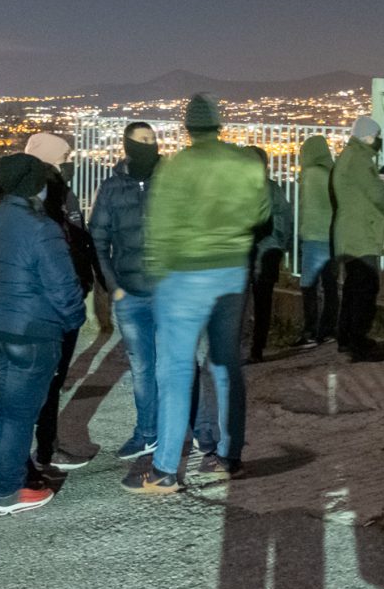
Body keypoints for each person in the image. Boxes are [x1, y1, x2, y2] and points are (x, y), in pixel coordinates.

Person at [123, 94, 270, 494]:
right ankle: (227, 456)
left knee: (175, 371)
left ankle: (166, 468)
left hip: (183, 279)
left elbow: (160, 229)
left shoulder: (176, 168)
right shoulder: (243, 163)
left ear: (189, 128)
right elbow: (260, 214)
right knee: (225, 367)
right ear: (219, 125)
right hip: (230, 275)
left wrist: (158, 276)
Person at [0, 154, 85, 516]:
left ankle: (1, 484)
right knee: (20, 415)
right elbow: (64, 286)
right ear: (32, 183)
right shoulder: (40, 226)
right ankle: (10, 491)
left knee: (5, 412)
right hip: (31, 331)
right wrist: (72, 320)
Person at [25, 131, 100, 474]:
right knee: (43, 381)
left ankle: (45, 447)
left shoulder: (58, 194)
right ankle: (38, 452)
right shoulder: (39, 199)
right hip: (49, 304)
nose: (69, 164)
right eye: (64, 158)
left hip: (65, 297)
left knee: (51, 381)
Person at [88, 122, 162, 462]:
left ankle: (189, 432)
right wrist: (113, 286)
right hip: (130, 294)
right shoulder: (111, 188)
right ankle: (148, 433)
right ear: (127, 144)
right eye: (141, 140)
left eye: (152, 139)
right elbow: (98, 239)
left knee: (178, 365)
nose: (149, 144)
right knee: (143, 368)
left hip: (169, 292)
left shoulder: (173, 182)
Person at [330, 115, 384, 363]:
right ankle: (359, 342)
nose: (378, 141)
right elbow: (376, 193)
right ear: (368, 136)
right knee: (366, 288)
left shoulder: (347, 156)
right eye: (377, 137)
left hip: (349, 232)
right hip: (360, 233)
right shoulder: (360, 160)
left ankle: (346, 337)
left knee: (352, 287)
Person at [247, 146, 294, 363]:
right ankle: (257, 347)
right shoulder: (274, 189)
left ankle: (249, 346)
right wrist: (280, 247)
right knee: (262, 302)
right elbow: (285, 221)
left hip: (251, 252)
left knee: (245, 302)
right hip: (268, 253)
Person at [294, 135, 338, 348]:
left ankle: (309, 332)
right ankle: (328, 330)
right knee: (330, 286)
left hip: (313, 237)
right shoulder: (333, 172)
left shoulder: (310, 174)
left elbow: (306, 207)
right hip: (332, 237)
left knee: (308, 285)